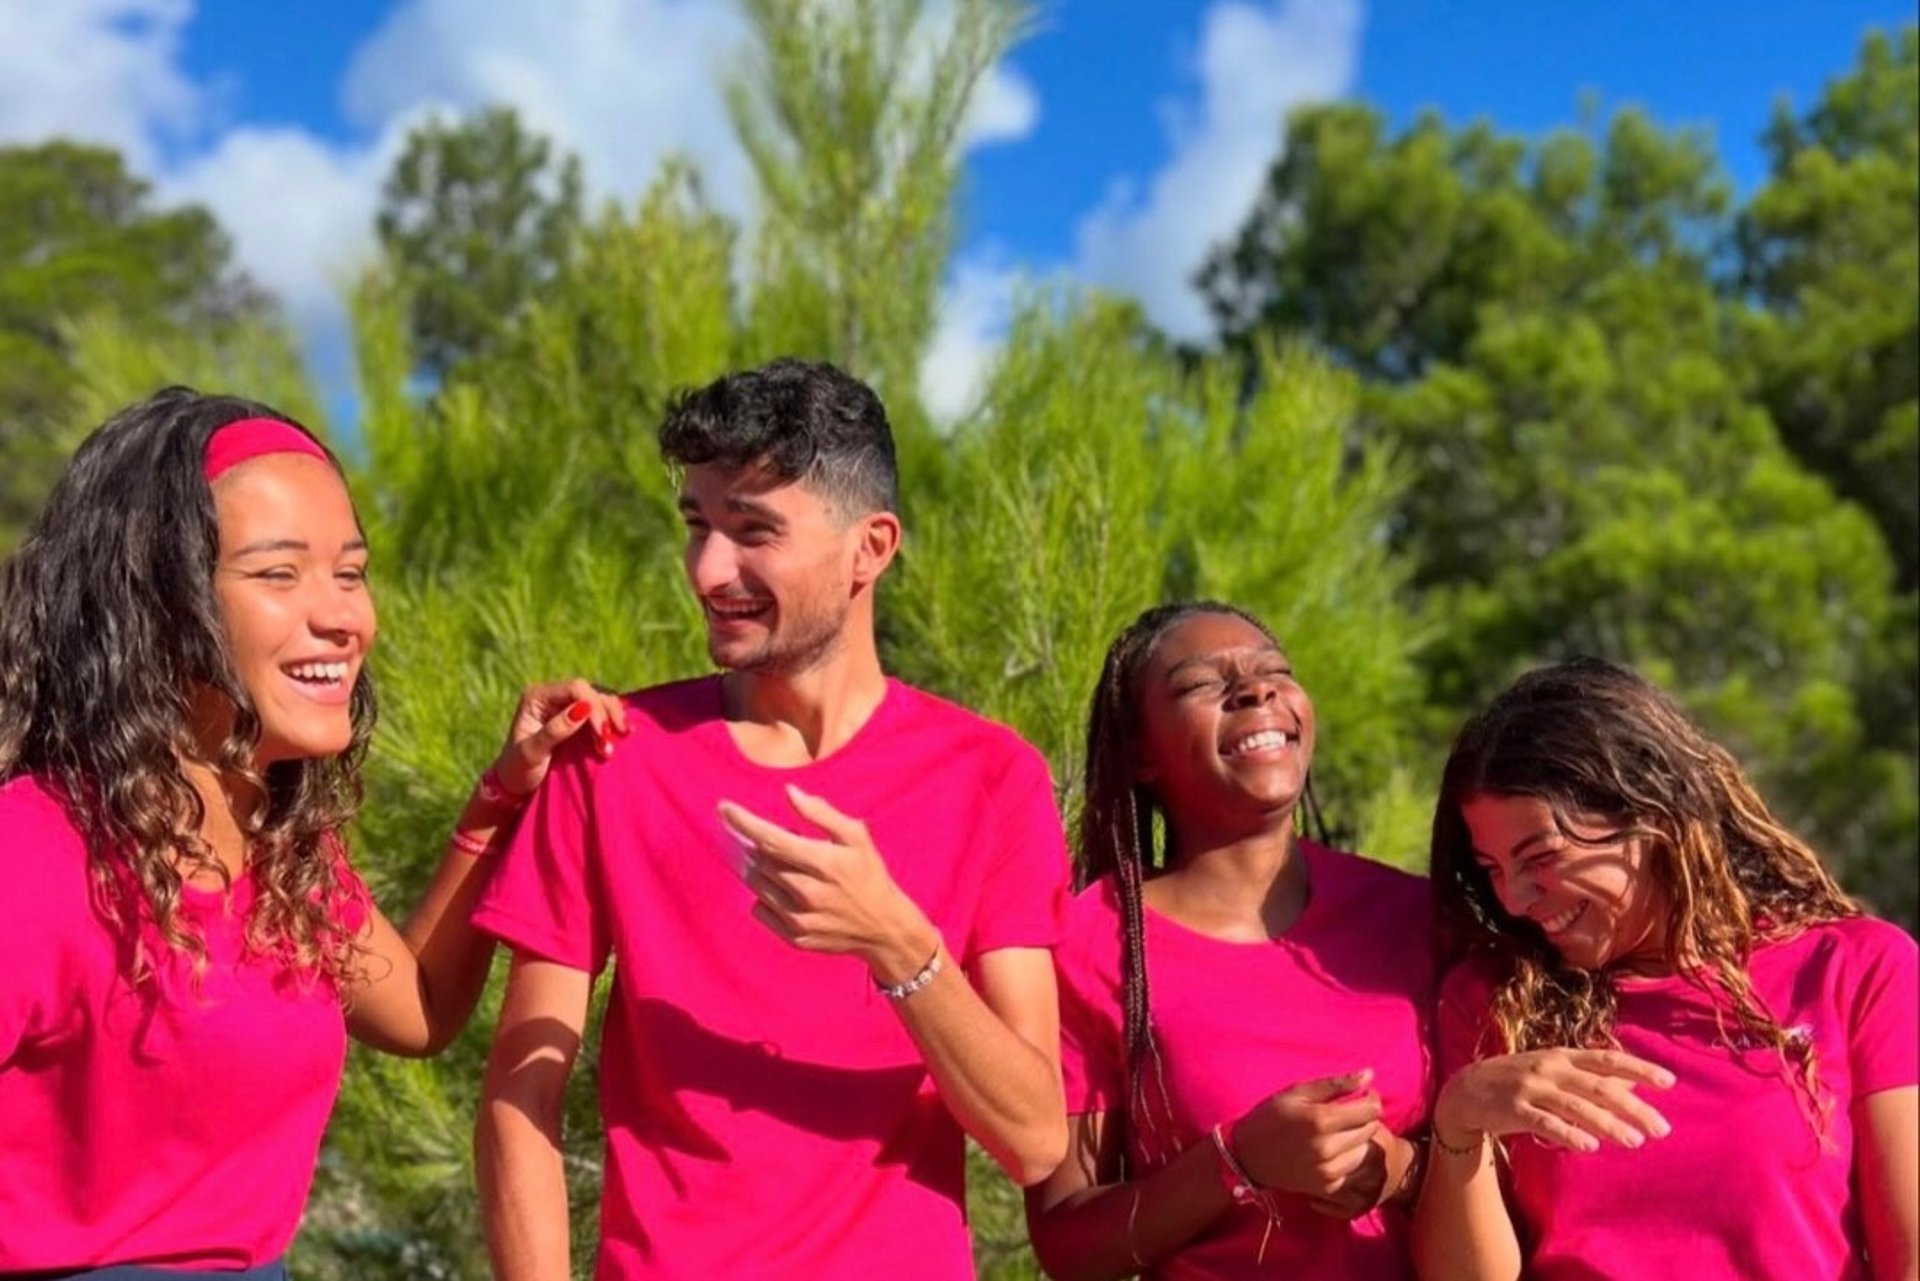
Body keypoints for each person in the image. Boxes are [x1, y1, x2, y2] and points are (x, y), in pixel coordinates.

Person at [0, 387, 625, 1278]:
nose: (342, 615)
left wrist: (500, 798)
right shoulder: (32, 852)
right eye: (279, 574)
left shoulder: (282, 855)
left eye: (350, 571)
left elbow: (419, 1010)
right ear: (157, 602)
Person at [471, 357, 1072, 1280]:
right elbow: (520, 1093)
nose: (711, 570)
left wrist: (900, 949)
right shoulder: (611, 759)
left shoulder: (993, 777)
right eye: (698, 527)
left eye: (753, 531)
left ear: (870, 547)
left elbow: (1035, 1137)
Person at [1414, 656, 1919, 1281]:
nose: (1515, 900)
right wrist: (1460, 1117)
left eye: (1540, 855)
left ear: (1652, 817)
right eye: (1491, 869)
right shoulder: (1494, 1002)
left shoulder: (1854, 967)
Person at [1025, 601, 1434, 1280]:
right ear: (1139, 754)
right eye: (1198, 684)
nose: (1255, 688)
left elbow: (1523, 1179)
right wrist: (1236, 1159)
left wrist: (1402, 1171)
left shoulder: (1413, 914)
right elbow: (1072, 1245)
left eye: (1275, 672)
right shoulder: (1090, 944)